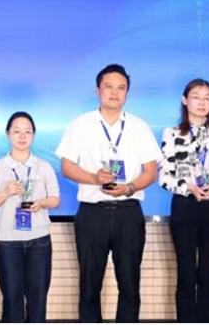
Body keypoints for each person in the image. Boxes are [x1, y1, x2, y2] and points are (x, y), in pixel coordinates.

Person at [56, 63, 162, 323]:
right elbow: (67, 167)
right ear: (98, 90)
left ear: (127, 93)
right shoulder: (80, 124)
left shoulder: (139, 127)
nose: (115, 93)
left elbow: (151, 172)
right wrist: (94, 178)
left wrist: (130, 187)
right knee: (89, 284)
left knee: (130, 285)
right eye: (109, 87)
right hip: (92, 213)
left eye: (121, 88)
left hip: (129, 213)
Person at [159, 79, 209, 323]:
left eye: (207, 98)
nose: (202, 103)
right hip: (185, 206)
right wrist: (188, 188)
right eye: (196, 97)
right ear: (185, 100)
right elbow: (164, 176)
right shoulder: (173, 134)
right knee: (186, 275)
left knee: (207, 276)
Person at [0, 111, 60, 323]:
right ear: (8, 134)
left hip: (39, 240)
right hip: (8, 241)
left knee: (38, 298)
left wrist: (41, 203)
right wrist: (6, 192)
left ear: (33, 135)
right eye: (17, 131)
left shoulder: (44, 167)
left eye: (27, 131)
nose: (22, 136)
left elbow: (55, 200)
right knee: (11, 298)